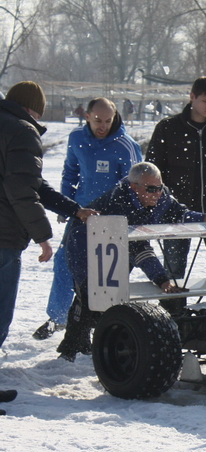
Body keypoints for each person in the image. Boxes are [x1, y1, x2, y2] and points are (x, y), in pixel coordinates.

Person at [56, 162, 206, 361]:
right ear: (134, 187)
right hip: (84, 247)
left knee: (113, 294)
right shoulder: (119, 203)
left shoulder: (161, 194)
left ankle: (100, 342)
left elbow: (178, 213)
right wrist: (162, 280)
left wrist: (203, 218)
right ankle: (71, 349)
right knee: (89, 297)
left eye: (160, 187)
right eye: (152, 189)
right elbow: (138, 248)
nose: (158, 193)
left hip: (118, 250)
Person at [1, 82, 96, 408]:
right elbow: (22, 192)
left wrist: (73, 209)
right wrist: (43, 235)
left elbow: (34, 184)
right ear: (34, 108)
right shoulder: (23, 132)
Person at [33, 97, 142, 341]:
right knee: (63, 263)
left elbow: (136, 187)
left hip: (112, 219)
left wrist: (130, 217)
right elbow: (70, 172)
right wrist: (66, 206)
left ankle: (103, 323)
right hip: (80, 214)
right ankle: (58, 317)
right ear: (87, 117)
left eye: (107, 121)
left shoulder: (126, 145)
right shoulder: (77, 139)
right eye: (97, 120)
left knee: (104, 272)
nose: (102, 126)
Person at [146, 76, 206, 283]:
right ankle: (174, 311)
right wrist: (158, 204)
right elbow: (153, 171)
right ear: (192, 97)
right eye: (205, 101)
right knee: (174, 273)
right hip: (177, 211)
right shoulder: (168, 128)